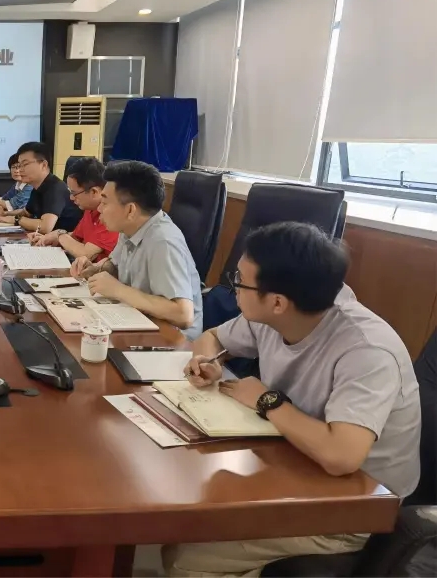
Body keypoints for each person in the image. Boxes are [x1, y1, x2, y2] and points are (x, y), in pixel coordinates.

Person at [165, 222, 421, 577]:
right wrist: (207, 360)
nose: (232, 287)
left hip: (356, 507)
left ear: (277, 302)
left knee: (187, 556)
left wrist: (267, 401)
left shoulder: (366, 351)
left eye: (239, 280)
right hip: (294, 463)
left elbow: (341, 456)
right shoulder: (276, 312)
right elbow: (212, 337)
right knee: (188, 519)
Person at [70, 160, 203, 339]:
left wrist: (118, 290)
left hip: (170, 339)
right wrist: (96, 269)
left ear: (130, 210)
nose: (99, 209)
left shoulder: (163, 242)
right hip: (138, 319)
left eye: (105, 202)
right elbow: (115, 265)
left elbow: (183, 314)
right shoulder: (129, 228)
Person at [29, 157, 118, 262]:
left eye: (74, 193)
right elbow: (75, 237)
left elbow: (87, 254)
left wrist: (59, 235)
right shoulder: (89, 209)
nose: (71, 198)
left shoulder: (111, 214)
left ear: (94, 192)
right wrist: (48, 238)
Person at [0, 142, 81, 233]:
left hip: (68, 239)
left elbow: (45, 227)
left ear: (43, 165)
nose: (20, 170)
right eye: (19, 165)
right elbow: (26, 213)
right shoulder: (37, 187)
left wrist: (16, 219)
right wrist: (4, 214)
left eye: (25, 164)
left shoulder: (55, 188)